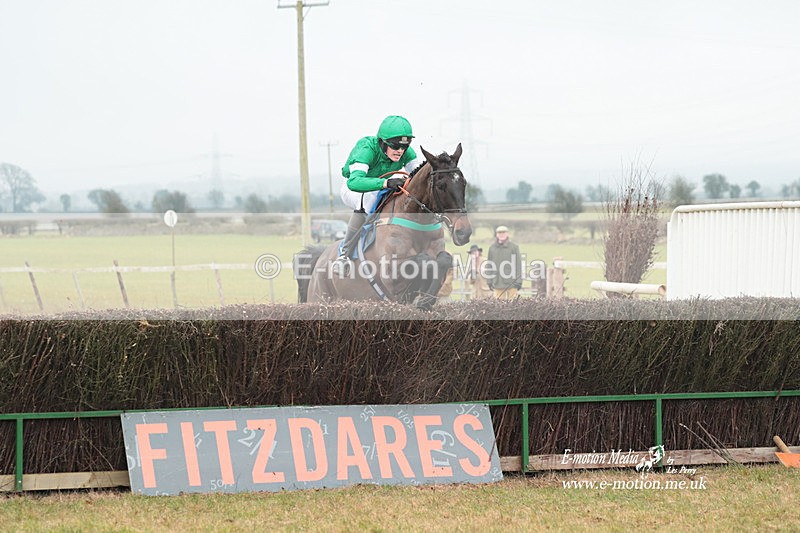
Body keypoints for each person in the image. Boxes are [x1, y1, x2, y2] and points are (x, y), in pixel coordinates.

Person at [334, 115, 422, 271]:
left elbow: (418, 176)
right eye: (395, 146)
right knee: (369, 198)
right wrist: (385, 183)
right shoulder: (366, 148)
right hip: (354, 189)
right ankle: (344, 254)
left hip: (379, 187)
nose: (400, 151)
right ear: (383, 142)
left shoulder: (405, 152)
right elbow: (354, 182)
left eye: (404, 147)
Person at [487, 225, 523, 300]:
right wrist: (489, 280)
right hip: (497, 282)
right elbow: (489, 266)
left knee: (513, 305)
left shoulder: (514, 247)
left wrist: (519, 281)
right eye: (499, 233)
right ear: (496, 234)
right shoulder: (492, 248)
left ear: (507, 234)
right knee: (498, 306)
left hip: (512, 282)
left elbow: (518, 265)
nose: (501, 234)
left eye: (503, 232)